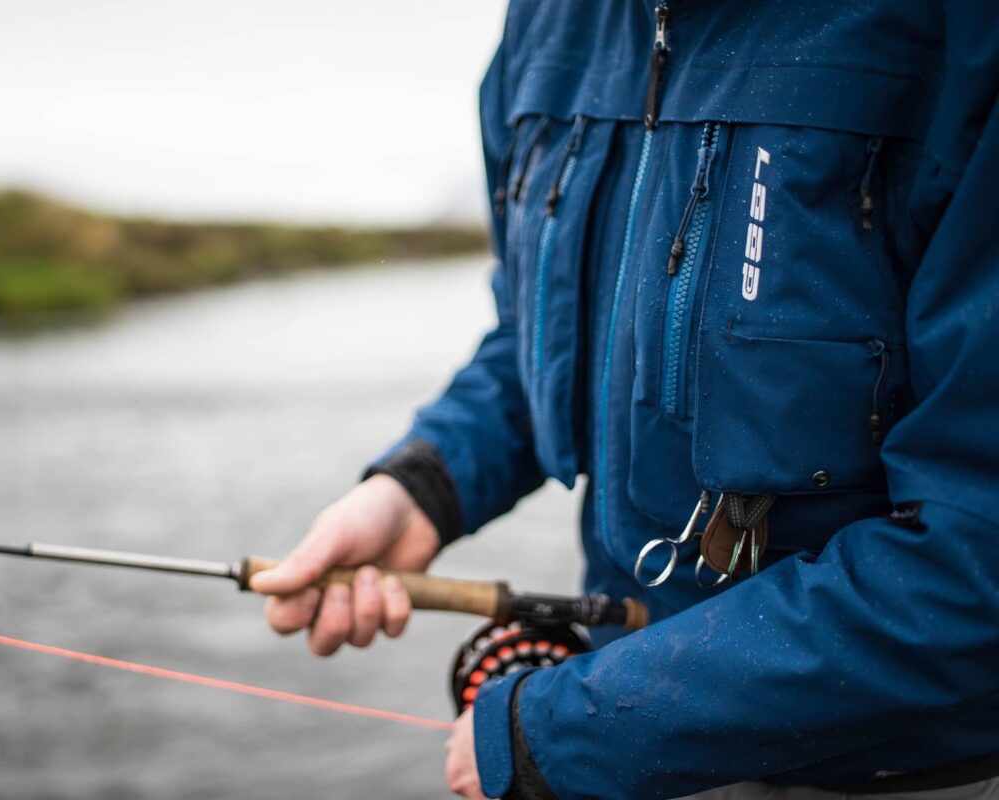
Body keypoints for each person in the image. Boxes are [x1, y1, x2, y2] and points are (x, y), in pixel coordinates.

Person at [253, 2, 999, 798]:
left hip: (897, 771)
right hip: (625, 735)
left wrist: (570, 732)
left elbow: (976, 547)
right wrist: (422, 489)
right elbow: (540, 334)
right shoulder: (544, 22)